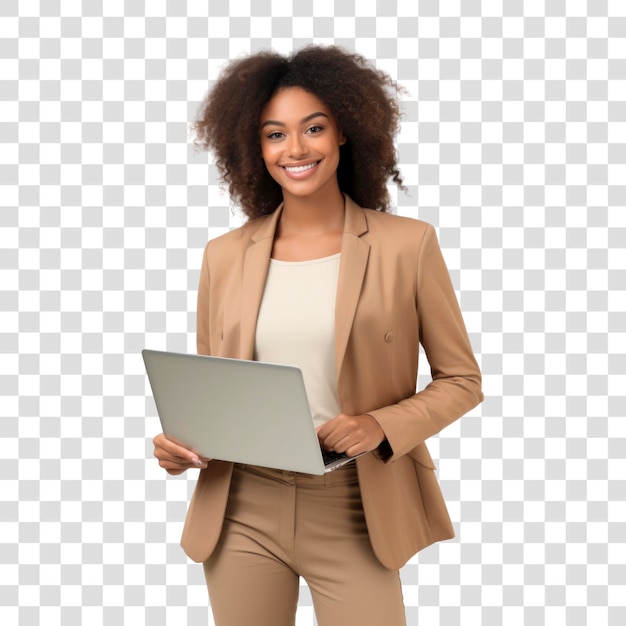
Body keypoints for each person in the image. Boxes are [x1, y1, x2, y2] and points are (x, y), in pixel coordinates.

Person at [152, 45, 483, 625]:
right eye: (274, 134)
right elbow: (216, 391)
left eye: (313, 128)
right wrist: (181, 446)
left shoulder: (407, 245)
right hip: (241, 508)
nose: (296, 149)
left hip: (355, 504)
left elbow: (461, 379)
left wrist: (380, 424)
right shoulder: (224, 256)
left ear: (346, 133)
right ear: (254, 147)